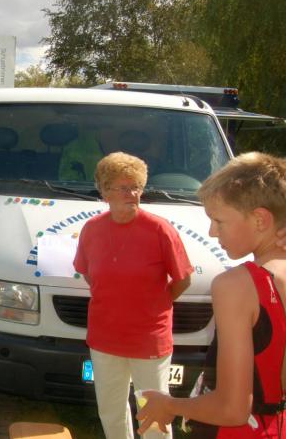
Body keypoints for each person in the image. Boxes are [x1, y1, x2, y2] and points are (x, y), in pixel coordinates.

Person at [138, 152, 286, 438]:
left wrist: (168, 404)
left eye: (219, 221)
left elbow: (232, 408)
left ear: (260, 219)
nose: (211, 232)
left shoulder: (237, 285)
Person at [73, 152, 193, 439]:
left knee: (154, 417)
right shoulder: (92, 229)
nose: (133, 194)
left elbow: (183, 279)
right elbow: (88, 273)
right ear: (105, 192)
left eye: (137, 187)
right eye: (124, 188)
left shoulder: (160, 229)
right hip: (105, 337)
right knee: (111, 412)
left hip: (149, 338)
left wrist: (156, 305)